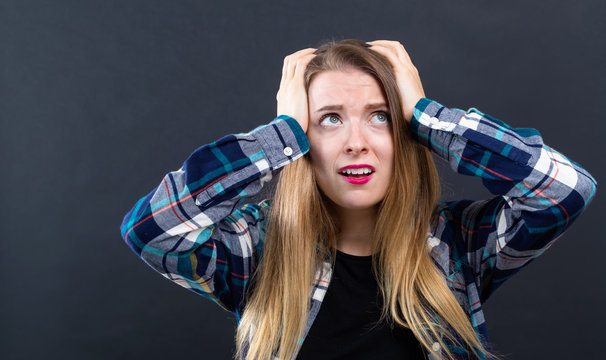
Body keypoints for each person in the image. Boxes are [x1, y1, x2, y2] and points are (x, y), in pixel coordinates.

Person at [120, 39, 596, 359]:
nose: (355, 142)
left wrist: (428, 117)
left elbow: (565, 189)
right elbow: (152, 232)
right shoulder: (256, 248)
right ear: (302, 135)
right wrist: (278, 135)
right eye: (328, 118)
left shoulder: (460, 245)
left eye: (380, 116)